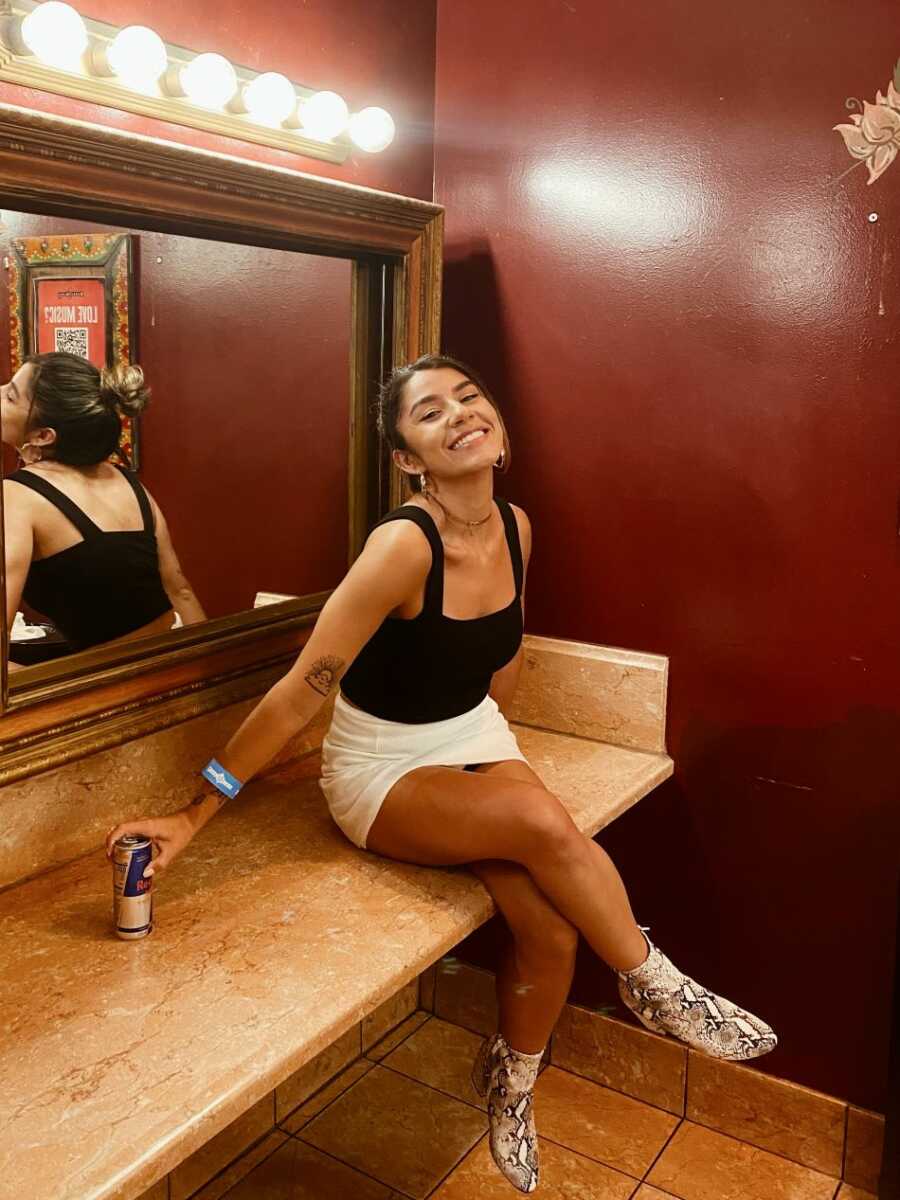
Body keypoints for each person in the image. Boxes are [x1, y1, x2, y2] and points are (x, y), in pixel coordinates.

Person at [106, 354, 776, 1195]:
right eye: (429, 413)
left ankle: (512, 1083)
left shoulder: (517, 526)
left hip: (472, 732)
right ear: (408, 458)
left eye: (468, 397)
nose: (460, 413)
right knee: (541, 827)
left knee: (551, 926)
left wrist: (505, 756)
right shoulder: (401, 545)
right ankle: (654, 984)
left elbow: (502, 660)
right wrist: (194, 813)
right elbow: (297, 694)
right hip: (379, 767)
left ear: (495, 423)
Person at [1, 352, 205, 661]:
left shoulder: (17, 495)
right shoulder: (126, 481)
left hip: (112, 682)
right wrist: (208, 671)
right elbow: (181, 591)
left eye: (11, 396)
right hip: (172, 655)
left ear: (43, 436)